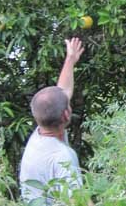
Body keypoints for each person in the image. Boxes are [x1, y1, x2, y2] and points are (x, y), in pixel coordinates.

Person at [20, 37, 85, 204]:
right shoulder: (62, 156)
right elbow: (77, 202)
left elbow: (63, 92)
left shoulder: (38, 136)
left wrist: (70, 59)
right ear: (66, 115)